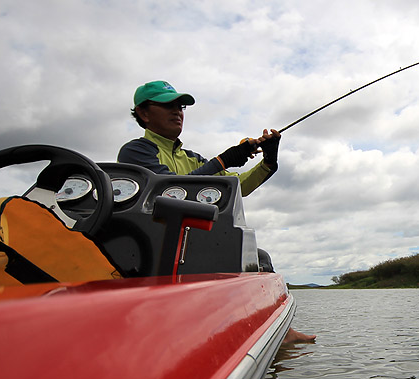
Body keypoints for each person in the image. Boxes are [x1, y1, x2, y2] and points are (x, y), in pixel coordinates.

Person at [120, 80, 315, 344]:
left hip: (195, 244)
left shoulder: (193, 158)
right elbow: (171, 189)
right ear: (143, 113)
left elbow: (239, 186)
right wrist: (223, 159)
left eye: (181, 106)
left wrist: (269, 162)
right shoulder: (136, 151)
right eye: (167, 105)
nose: (177, 111)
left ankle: (277, 332)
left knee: (259, 257)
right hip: (159, 248)